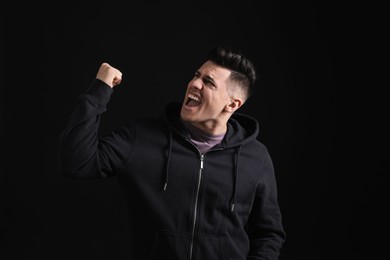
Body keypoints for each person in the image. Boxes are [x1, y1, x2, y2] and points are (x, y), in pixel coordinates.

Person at [58, 45, 286, 260]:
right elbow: (77, 162)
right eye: (196, 75)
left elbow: (268, 233)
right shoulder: (142, 137)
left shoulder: (256, 157)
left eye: (208, 82)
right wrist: (99, 89)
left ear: (232, 104)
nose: (194, 84)